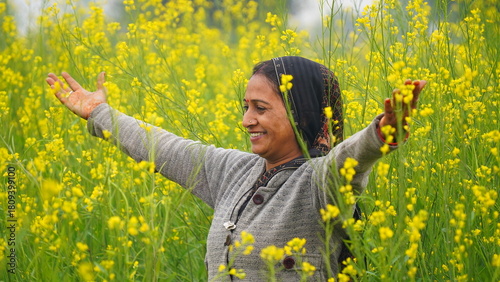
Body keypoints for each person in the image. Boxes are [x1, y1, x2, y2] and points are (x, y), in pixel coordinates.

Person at [46, 56, 426, 280]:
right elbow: (163, 147)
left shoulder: (319, 182)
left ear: (303, 113)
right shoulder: (234, 170)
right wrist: (100, 113)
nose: (247, 120)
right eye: (245, 107)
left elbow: (351, 158)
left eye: (260, 109)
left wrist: (380, 134)